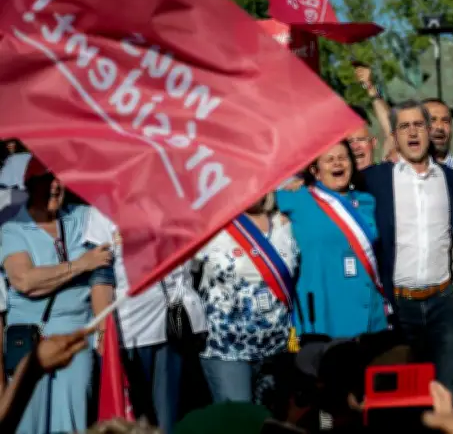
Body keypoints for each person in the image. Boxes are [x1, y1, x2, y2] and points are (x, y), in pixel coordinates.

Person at [0, 160, 113, 434]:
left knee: (74, 421)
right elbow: (25, 281)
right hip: (32, 342)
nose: (55, 185)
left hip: (78, 340)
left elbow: (104, 270)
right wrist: (81, 264)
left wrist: (103, 332)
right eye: (46, 179)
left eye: (60, 178)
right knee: (30, 422)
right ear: (29, 185)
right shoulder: (12, 229)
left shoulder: (82, 218)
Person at [362, 100, 453, 397]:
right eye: (404, 126)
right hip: (398, 308)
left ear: (430, 130)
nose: (413, 132)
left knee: (447, 396)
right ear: (394, 135)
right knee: (401, 400)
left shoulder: (452, 179)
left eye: (419, 124)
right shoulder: (376, 180)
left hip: (444, 303)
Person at [84, 208, 205, 433]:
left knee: (167, 422)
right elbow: (100, 277)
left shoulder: (175, 196)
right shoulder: (103, 207)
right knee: (130, 424)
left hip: (171, 330)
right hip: (128, 332)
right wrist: (102, 335)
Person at [194, 193, 298, 404]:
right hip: (227, 349)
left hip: (276, 349)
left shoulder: (282, 224)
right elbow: (185, 274)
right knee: (241, 424)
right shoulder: (211, 226)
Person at [277, 141, 387, 339]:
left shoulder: (367, 201)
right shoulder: (297, 198)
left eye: (343, 158)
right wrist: (292, 179)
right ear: (315, 170)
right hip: (322, 312)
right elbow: (258, 197)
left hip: (369, 313)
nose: (337, 163)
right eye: (329, 160)